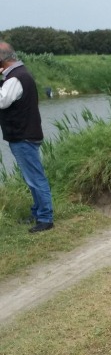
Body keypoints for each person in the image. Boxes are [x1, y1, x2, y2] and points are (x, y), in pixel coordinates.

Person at [0, 41, 54, 233]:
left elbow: (2, 101)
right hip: (26, 133)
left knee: (35, 178)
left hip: (23, 135)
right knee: (31, 177)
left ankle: (46, 218)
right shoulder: (19, 73)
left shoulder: (15, 78)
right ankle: (38, 212)